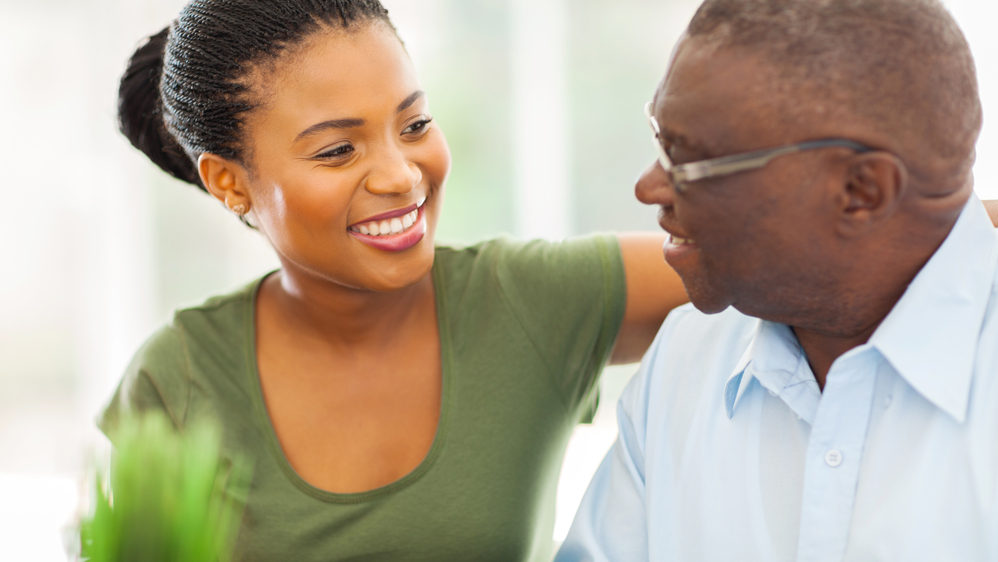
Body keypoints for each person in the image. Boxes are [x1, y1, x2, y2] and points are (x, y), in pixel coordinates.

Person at [99, 1, 689, 560]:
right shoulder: (176, 382)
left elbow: (750, 264)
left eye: (415, 124)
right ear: (230, 183)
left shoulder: (530, 301)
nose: (402, 176)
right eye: (337, 150)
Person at [558, 0, 998, 560]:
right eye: (660, 141)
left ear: (862, 191)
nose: (649, 188)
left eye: (688, 161)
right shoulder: (686, 359)